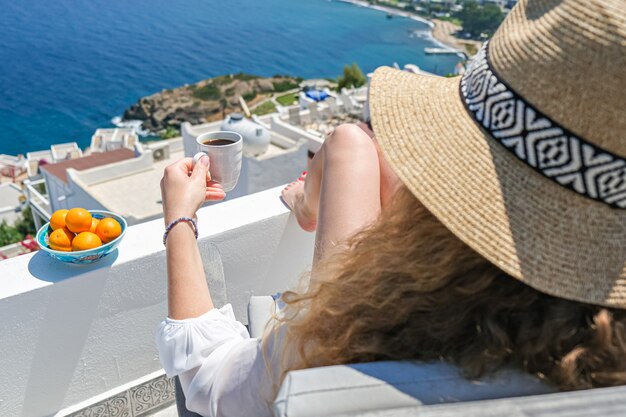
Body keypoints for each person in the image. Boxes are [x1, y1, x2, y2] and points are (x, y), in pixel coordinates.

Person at [156, 0, 626, 416]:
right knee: (351, 142)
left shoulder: (343, 340)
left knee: (351, 142)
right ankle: (307, 202)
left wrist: (180, 217)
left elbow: (206, 381)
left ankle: (306, 204)